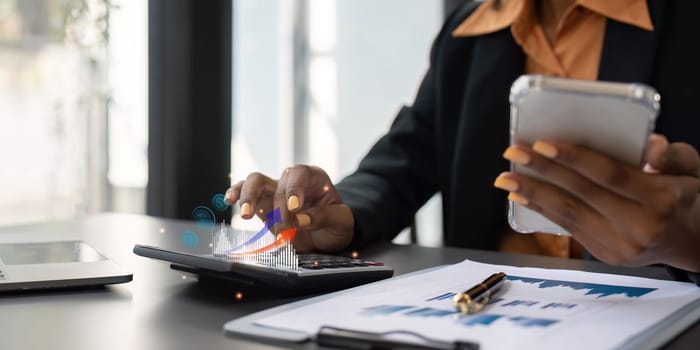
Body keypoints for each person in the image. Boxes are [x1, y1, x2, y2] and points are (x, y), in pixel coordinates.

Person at [225, 0, 700, 283]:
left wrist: (689, 239)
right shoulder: (470, 30)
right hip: (486, 313)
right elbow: (407, 154)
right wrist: (338, 215)